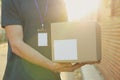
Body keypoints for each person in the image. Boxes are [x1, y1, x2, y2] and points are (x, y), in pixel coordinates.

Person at [1, 0, 85, 80]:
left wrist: (85, 55)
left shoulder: (59, 2)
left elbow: (63, 37)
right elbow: (16, 44)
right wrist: (51, 66)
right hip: (19, 76)